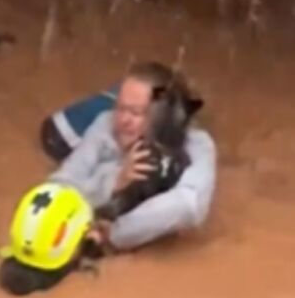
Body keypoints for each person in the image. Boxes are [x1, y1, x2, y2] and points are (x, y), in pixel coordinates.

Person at [48, 62, 216, 250]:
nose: (123, 120)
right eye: (120, 108)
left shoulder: (197, 143)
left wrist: (114, 233)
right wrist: (114, 181)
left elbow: (189, 205)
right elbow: (56, 188)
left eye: (136, 112)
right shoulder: (105, 123)